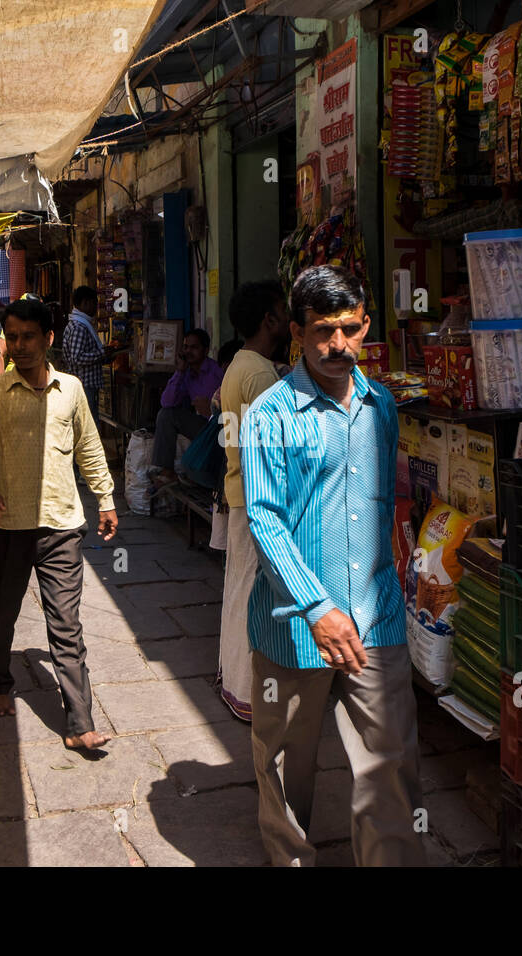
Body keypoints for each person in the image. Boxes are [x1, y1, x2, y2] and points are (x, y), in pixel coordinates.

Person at [242, 265, 424, 867]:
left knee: (389, 766)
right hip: (295, 627)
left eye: (349, 329)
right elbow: (264, 521)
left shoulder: (382, 407)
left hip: (377, 619)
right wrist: (317, 608)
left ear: (366, 324)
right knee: (286, 768)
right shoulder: (270, 414)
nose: (338, 345)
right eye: (322, 331)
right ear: (296, 332)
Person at [0, 296, 118, 751]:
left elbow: (89, 446)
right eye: (12, 337)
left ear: (49, 339)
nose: (20, 345)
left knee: (66, 624)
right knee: (2, 614)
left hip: (62, 525)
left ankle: (80, 720)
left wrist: (105, 497)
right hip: (7, 526)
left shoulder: (71, 390)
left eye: (29, 337)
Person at [216, 282, 291, 723]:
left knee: (239, 590)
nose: (287, 318)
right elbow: (270, 450)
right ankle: (248, 692)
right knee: (253, 596)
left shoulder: (239, 367)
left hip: (238, 492)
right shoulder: (260, 374)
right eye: (282, 310)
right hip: (256, 499)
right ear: (269, 320)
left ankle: (234, 684)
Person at [151, 328, 222, 487]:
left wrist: (211, 410)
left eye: (194, 347)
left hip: (220, 428)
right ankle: (167, 472)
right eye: (186, 347)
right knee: (166, 415)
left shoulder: (216, 372)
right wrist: (179, 371)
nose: (189, 351)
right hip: (202, 427)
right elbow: (167, 403)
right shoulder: (186, 374)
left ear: (205, 350)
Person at [61, 286, 105, 427]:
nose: (95, 307)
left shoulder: (79, 324)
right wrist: (102, 353)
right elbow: (77, 358)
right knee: (88, 424)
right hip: (84, 385)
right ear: (85, 303)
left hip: (86, 384)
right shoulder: (79, 327)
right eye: (94, 303)